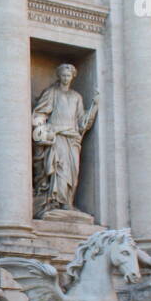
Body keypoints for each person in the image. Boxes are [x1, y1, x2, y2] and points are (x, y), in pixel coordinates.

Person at [32, 63, 98, 216]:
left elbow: (82, 121)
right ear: (59, 76)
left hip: (72, 138)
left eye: (68, 76)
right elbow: (40, 113)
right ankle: (57, 202)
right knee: (59, 170)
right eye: (63, 75)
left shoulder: (76, 97)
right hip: (57, 136)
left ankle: (68, 201)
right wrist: (42, 132)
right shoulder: (52, 93)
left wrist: (94, 106)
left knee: (72, 172)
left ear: (73, 77)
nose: (66, 78)